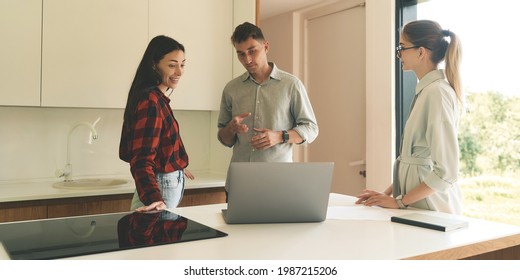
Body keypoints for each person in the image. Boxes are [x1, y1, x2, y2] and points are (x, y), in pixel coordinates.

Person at [356, 20, 463, 214]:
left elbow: (447, 171)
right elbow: (411, 162)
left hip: (433, 208)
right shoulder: (426, 92)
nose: (399, 54)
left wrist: (400, 202)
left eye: (402, 47)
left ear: (421, 52)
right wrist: (386, 195)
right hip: (415, 205)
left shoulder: (437, 93)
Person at [217, 22, 319, 165]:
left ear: (266, 47)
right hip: (240, 179)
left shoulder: (291, 85)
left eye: (252, 51)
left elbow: (311, 129)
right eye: (241, 54)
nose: (247, 60)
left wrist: (279, 136)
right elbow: (224, 138)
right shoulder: (231, 89)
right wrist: (230, 129)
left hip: (278, 179)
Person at [119, 35, 194, 213]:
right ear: (154, 65)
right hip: (160, 188)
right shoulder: (150, 101)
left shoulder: (156, 99)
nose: (180, 72)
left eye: (182, 64)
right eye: (172, 65)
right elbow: (142, 159)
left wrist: (174, 164)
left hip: (165, 183)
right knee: (152, 239)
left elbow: (158, 146)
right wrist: (155, 198)